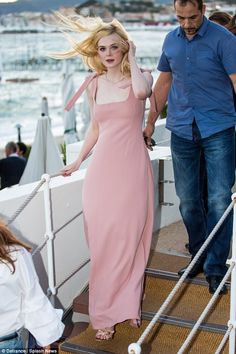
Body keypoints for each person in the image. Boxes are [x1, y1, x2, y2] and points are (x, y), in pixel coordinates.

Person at [53, 13, 154, 340]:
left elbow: (141, 94)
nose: (108, 53)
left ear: (125, 47)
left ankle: (125, 305)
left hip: (132, 171)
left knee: (128, 239)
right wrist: (78, 161)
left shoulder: (143, 76)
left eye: (114, 47)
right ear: (95, 53)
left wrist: (135, 58)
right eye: (101, 49)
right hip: (101, 174)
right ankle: (105, 313)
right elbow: (94, 129)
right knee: (104, 243)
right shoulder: (93, 84)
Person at [144, 0, 236, 294]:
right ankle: (198, 255)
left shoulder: (225, 40)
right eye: (180, 17)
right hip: (182, 130)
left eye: (192, 17)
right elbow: (163, 83)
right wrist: (149, 123)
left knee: (220, 200)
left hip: (218, 129)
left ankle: (215, 268)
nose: (186, 24)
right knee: (187, 200)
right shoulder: (171, 40)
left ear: (203, 9)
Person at [0, 220, 65, 351]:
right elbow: (32, 298)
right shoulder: (16, 254)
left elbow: (33, 299)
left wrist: (46, 339)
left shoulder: (16, 254)